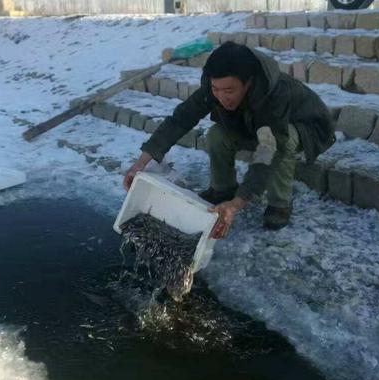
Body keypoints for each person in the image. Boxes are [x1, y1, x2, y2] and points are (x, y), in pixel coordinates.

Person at [123, 41, 335, 239]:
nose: (222, 97)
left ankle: (280, 203)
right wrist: (141, 163)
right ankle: (222, 190)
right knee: (216, 134)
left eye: (229, 90)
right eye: (216, 90)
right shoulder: (213, 88)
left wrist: (238, 203)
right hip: (257, 126)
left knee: (284, 141)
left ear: (249, 82)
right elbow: (180, 119)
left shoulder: (275, 94)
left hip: (306, 128)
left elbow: (271, 148)